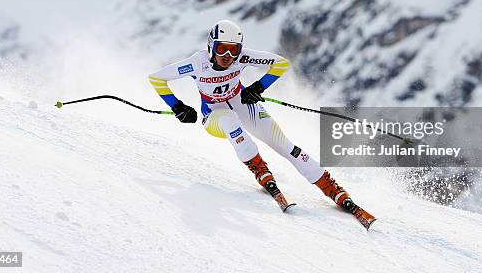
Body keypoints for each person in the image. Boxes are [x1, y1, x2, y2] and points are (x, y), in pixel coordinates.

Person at [148, 19, 375, 229]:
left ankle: (333, 189)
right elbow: (157, 78)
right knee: (230, 122)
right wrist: (177, 106)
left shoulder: (243, 58)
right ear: (211, 45)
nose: (228, 55)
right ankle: (261, 170)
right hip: (214, 115)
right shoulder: (196, 64)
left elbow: (280, 64)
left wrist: (258, 87)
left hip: (242, 103)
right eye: (221, 48)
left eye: (234, 49)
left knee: (286, 146)